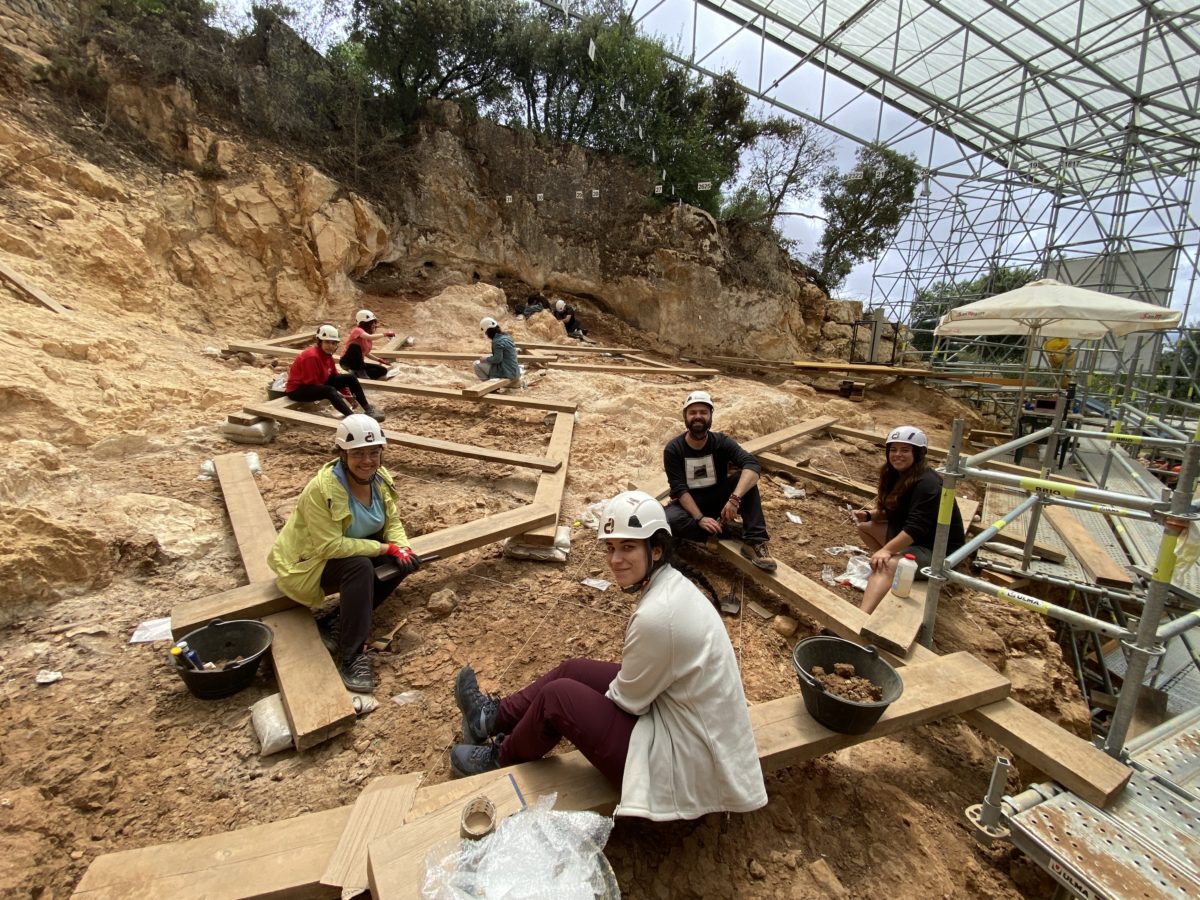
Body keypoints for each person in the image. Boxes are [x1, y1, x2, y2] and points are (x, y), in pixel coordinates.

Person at [447, 491, 767, 822]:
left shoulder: (659, 615)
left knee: (558, 698)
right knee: (573, 669)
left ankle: (502, 757)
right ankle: (488, 719)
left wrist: (585, 702)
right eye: (611, 548)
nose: (615, 559)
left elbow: (629, 702)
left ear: (655, 550)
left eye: (628, 547)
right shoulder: (672, 586)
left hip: (683, 768)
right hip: (688, 728)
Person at [267, 415, 420, 692]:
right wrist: (385, 547)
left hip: (351, 549)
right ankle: (352, 655)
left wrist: (402, 547)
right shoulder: (322, 489)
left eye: (374, 452)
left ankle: (337, 622)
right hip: (310, 561)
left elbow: (393, 522)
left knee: (402, 562)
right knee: (361, 566)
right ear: (342, 454)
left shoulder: (380, 479)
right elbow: (329, 547)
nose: (367, 460)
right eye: (358, 453)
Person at [849, 425, 966, 615]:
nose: (897, 455)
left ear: (918, 454)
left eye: (905, 450)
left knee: (888, 564)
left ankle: (861, 617)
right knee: (865, 527)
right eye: (893, 450)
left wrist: (887, 550)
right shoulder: (895, 475)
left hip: (937, 552)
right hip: (914, 542)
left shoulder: (928, 484)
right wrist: (870, 515)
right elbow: (894, 511)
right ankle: (891, 571)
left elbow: (916, 528)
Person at [663, 390, 777, 572]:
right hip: (690, 503)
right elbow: (679, 489)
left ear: (710, 416)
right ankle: (726, 530)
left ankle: (755, 541)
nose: (698, 417)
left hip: (720, 499)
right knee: (668, 520)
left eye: (703, 412)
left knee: (746, 479)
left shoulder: (721, 442)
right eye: (692, 413)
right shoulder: (674, 449)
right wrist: (699, 518)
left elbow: (752, 465)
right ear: (685, 416)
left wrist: (734, 499)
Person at [285, 325, 386, 422]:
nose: (330, 346)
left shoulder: (327, 355)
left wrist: (348, 396)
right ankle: (353, 418)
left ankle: (368, 409)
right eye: (327, 342)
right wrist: (339, 395)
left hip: (317, 383)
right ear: (320, 342)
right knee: (329, 390)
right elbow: (311, 383)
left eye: (334, 343)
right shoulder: (311, 356)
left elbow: (335, 377)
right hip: (298, 389)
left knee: (350, 378)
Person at [340, 309, 395, 380]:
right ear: (365, 323)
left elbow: (366, 353)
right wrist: (385, 334)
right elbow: (370, 337)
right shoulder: (357, 330)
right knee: (354, 346)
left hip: (358, 364)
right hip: (346, 362)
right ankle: (359, 372)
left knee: (382, 370)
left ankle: (355, 374)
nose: (374, 325)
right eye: (372, 323)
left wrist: (379, 360)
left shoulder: (368, 339)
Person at [473, 316, 520, 385]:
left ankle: (489, 386)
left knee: (476, 365)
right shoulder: (506, 336)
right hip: (515, 371)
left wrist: (485, 359)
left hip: (507, 372)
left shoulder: (497, 341)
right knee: (488, 361)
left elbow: (497, 359)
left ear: (488, 331)